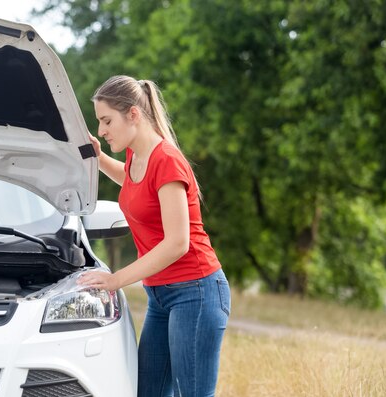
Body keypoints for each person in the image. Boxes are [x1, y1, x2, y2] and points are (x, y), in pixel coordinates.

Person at [77, 75, 231, 397]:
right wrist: (98, 156)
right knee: (149, 391)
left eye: (107, 121)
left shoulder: (166, 161)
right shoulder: (137, 156)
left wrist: (116, 279)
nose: (102, 130)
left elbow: (177, 243)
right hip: (160, 296)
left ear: (133, 114)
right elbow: (134, 184)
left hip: (196, 292)